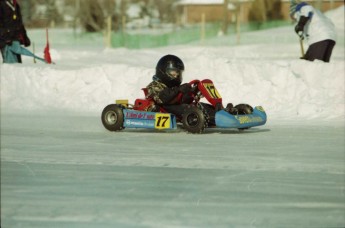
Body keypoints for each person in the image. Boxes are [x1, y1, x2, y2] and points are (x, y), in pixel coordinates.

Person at [146, 54, 235, 126]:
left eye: (178, 72)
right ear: (163, 71)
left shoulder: (173, 86)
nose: (176, 75)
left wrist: (193, 91)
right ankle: (220, 119)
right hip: (164, 108)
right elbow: (163, 98)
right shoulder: (154, 86)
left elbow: (181, 99)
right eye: (173, 72)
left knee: (201, 105)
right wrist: (179, 89)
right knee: (189, 108)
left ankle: (222, 111)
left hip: (177, 107)